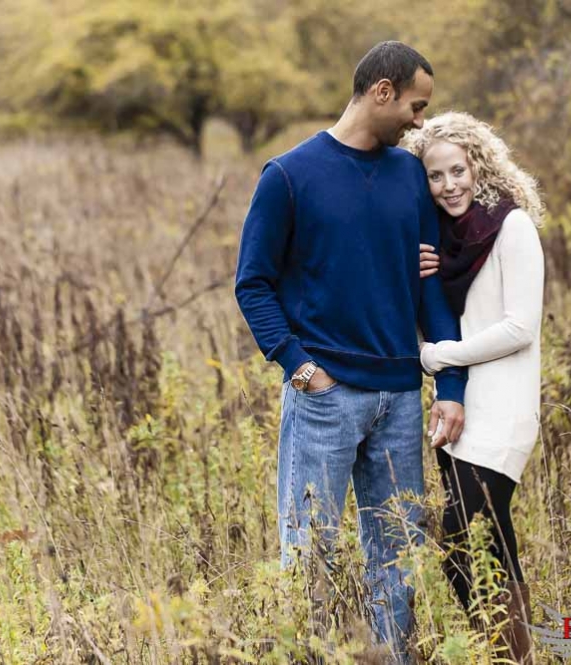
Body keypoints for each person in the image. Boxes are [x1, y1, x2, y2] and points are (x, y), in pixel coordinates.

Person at [234, 42, 467, 663]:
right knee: (308, 550)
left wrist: (449, 387)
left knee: (398, 555)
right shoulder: (288, 176)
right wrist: (300, 367)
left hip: (399, 399)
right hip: (324, 399)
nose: (420, 122)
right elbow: (251, 283)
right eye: (417, 106)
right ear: (382, 92)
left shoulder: (408, 176)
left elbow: (428, 287)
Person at [403, 111, 545, 664]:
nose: (449, 186)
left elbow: (519, 327)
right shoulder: (445, 243)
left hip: (505, 408)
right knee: (482, 544)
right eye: (435, 177)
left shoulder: (512, 227)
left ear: (478, 165)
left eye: (457, 171)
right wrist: (426, 274)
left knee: (467, 537)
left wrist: (441, 357)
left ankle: (511, 653)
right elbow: (442, 314)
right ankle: (512, 652)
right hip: (461, 408)